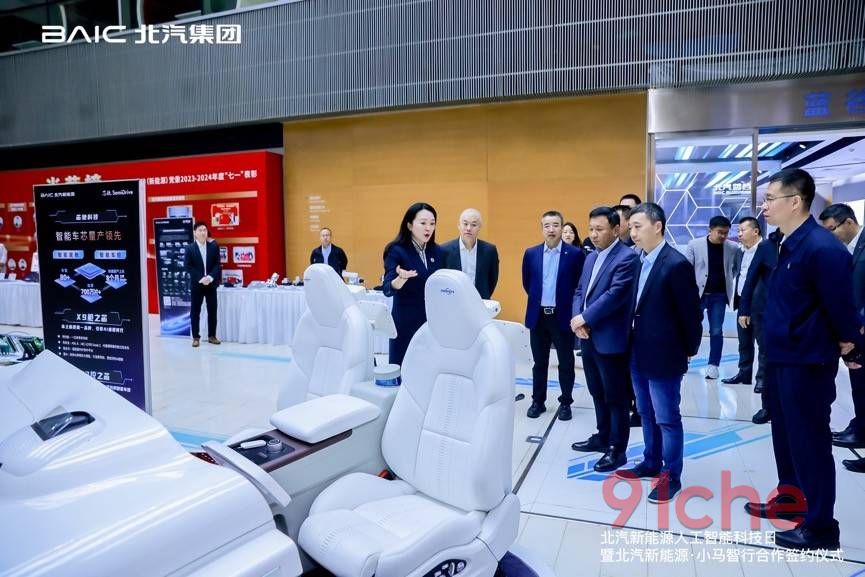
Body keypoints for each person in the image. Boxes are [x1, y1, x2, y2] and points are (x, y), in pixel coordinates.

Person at [744, 168, 859, 551]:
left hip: (806, 362)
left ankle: (821, 526)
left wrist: (851, 344)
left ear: (795, 201)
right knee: (786, 437)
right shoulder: (786, 243)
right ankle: (792, 499)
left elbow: (841, 307)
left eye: (769, 199)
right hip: (781, 358)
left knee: (810, 442)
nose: (764, 207)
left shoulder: (821, 248)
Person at [616, 202, 702, 504]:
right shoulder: (638, 260)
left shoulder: (675, 264)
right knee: (645, 411)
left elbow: (691, 315)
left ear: (657, 226)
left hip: (665, 353)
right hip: (638, 351)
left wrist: (688, 349)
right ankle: (650, 461)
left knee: (667, 417)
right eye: (631, 227)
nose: (632, 232)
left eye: (638, 226)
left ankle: (671, 475)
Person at [570, 207, 639, 472]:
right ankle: (603, 436)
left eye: (599, 229)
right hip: (588, 336)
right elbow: (580, 291)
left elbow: (615, 295)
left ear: (616, 229)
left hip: (610, 338)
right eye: (591, 229)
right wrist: (578, 318)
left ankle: (617, 449)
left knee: (616, 396)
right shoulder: (591, 257)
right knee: (597, 391)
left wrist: (584, 318)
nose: (594, 235)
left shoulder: (627, 257)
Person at [522, 210, 585, 421]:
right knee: (539, 362)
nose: (551, 229)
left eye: (556, 225)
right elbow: (527, 283)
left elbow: (579, 285)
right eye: (547, 225)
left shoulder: (575, 254)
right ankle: (538, 401)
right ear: (542, 228)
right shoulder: (531, 253)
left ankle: (566, 402)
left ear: (562, 227)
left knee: (566, 362)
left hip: (562, 316)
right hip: (538, 316)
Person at [818, 203, 865, 454]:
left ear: (848, 222)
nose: (830, 235)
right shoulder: (842, 250)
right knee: (859, 383)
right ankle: (860, 429)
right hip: (853, 331)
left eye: (831, 229)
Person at [382, 202, 444, 365]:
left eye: (432, 223)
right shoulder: (396, 250)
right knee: (403, 368)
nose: (428, 228)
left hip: (431, 323)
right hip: (405, 323)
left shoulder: (438, 251)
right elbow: (387, 288)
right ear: (409, 225)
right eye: (423, 223)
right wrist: (400, 279)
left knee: (428, 369)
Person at [684, 215, 739, 380]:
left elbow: (735, 269)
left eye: (726, 233)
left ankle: (713, 365)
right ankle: (685, 357)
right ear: (710, 230)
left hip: (719, 296)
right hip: (697, 295)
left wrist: (727, 280)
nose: (723, 236)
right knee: (691, 327)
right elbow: (686, 269)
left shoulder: (733, 247)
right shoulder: (694, 245)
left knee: (716, 330)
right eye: (720, 232)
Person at [738, 228, 783, 425]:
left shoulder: (808, 242)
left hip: (796, 313)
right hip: (765, 310)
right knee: (766, 352)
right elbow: (751, 277)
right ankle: (767, 404)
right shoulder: (767, 246)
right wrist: (744, 309)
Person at [722, 217, 762, 385]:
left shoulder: (766, 250)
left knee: (763, 344)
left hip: (760, 305)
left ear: (755, 231)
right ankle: (744, 374)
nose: (739, 234)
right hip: (742, 303)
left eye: (742, 230)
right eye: (738, 230)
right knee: (744, 342)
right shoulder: (740, 252)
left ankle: (762, 379)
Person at [440, 208, 500, 299]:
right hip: (453, 301)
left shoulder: (489, 251)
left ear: (479, 227)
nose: (468, 228)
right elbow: (442, 281)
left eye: (473, 225)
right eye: (465, 224)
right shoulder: (444, 250)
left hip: (480, 301)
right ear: (459, 225)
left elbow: (492, 279)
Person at [183, 221, 222, 347]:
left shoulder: (213, 246)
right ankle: (196, 337)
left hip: (211, 284)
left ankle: (212, 336)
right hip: (197, 285)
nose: (203, 232)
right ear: (195, 233)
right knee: (195, 312)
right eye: (200, 230)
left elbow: (217, 265)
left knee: (212, 311)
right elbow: (188, 266)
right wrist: (201, 278)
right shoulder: (189, 248)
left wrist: (210, 277)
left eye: (205, 230)